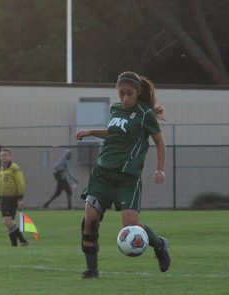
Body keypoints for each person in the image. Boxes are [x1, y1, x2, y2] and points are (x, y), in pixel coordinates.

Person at [74, 71, 170, 278]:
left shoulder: (145, 114)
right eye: (121, 94)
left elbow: (160, 142)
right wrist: (91, 131)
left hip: (127, 179)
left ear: (138, 93)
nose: (125, 98)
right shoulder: (115, 109)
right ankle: (92, 270)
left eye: (129, 94)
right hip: (102, 174)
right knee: (89, 220)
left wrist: (160, 169)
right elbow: (114, 131)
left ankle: (159, 244)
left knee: (131, 225)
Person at [0, 148, 29, 247]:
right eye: (2, 156)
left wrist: (20, 198)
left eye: (5, 155)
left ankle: (23, 240)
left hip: (12, 197)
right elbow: (2, 185)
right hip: (4, 198)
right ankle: (14, 245)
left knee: (6, 221)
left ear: (10, 157)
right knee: (8, 222)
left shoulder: (15, 168)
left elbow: (20, 183)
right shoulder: (2, 169)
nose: (3, 157)